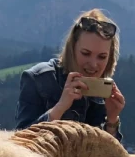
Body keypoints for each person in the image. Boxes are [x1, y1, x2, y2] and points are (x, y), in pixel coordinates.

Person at [16, 9, 126, 140]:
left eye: (102, 57)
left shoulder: (102, 91)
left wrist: (112, 120)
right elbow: (22, 142)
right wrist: (60, 107)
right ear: (72, 49)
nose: (93, 64)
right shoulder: (38, 79)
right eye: (86, 53)